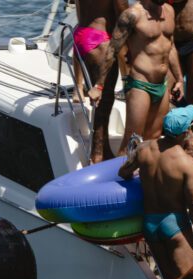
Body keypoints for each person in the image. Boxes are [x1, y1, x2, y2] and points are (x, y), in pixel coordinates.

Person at [119, 105, 193, 279]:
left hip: (150, 224)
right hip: (174, 225)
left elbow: (124, 172)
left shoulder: (144, 149)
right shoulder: (187, 163)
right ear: (187, 131)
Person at [91, 0, 185, 152]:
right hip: (140, 84)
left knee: (153, 139)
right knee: (131, 142)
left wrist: (179, 78)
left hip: (162, 84)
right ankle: (120, 174)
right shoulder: (132, 15)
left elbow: (171, 46)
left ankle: (143, 175)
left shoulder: (169, 10)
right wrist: (99, 85)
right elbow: (112, 51)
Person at [73, 0, 124, 162]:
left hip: (81, 34)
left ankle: (105, 148)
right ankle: (98, 154)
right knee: (105, 100)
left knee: (99, 101)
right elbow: (124, 18)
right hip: (100, 39)